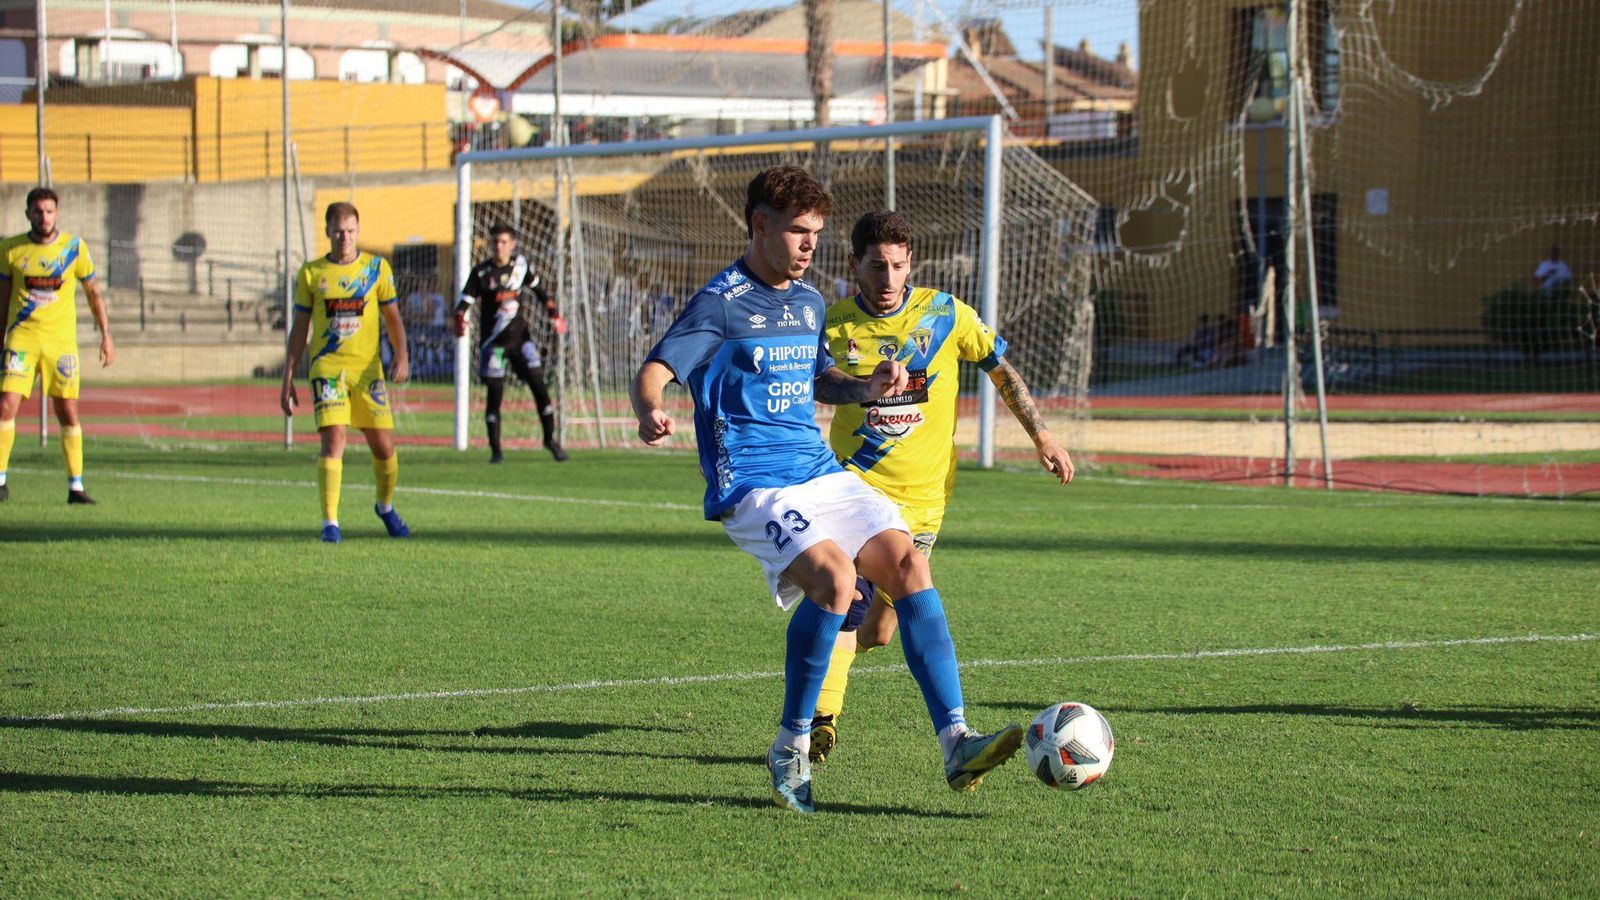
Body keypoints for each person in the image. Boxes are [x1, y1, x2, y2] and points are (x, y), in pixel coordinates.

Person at [630, 166, 1023, 815]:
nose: (810, 244)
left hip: (818, 469)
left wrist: (866, 387)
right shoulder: (721, 302)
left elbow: (822, 378)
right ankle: (790, 745)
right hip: (753, 482)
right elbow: (656, 368)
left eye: (816, 232)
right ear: (760, 227)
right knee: (838, 585)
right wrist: (649, 410)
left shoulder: (808, 303)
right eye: (798, 231)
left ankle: (955, 741)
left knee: (907, 564)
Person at [811, 210, 1075, 763]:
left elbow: (999, 368)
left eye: (898, 266)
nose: (888, 279)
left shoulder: (946, 314)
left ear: (911, 264)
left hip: (925, 501)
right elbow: (821, 384)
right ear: (854, 264)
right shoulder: (831, 324)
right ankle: (822, 720)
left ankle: (820, 651)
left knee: (880, 631)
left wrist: (1041, 434)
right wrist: (862, 387)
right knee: (851, 596)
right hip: (854, 487)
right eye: (877, 266)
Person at [280, 202, 411, 543]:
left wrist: (402, 355)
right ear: (327, 231)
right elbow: (300, 327)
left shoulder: (376, 269)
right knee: (334, 438)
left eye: (351, 230)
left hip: (368, 371)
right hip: (327, 368)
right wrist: (289, 374)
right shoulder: (311, 274)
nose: (345, 238)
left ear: (358, 231)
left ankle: (384, 506)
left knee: (383, 448)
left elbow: (393, 317)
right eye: (338, 231)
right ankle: (330, 524)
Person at [0, 187, 114, 504]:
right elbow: (2, 298)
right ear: (28, 214)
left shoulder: (74, 248)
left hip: (61, 343)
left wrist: (106, 333)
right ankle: (0, 480)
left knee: (67, 410)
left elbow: (93, 293)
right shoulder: (11, 249)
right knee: (6, 404)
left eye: (49, 211)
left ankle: (75, 487)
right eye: (38, 211)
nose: (44, 217)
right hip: (22, 339)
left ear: (57, 213)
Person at [454, 224, 567, 463]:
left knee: (539, 386)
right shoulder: (481, 273)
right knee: (495, 394)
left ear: (513, 244)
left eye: (504, 242)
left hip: (522, 340)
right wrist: (459, 321)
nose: (499, 246)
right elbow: (463, 304)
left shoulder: (520, 267)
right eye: (495, 242)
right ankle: (496, 451)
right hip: (493, 344)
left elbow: (541, 293)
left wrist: (554, 314)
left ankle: (550, 440)